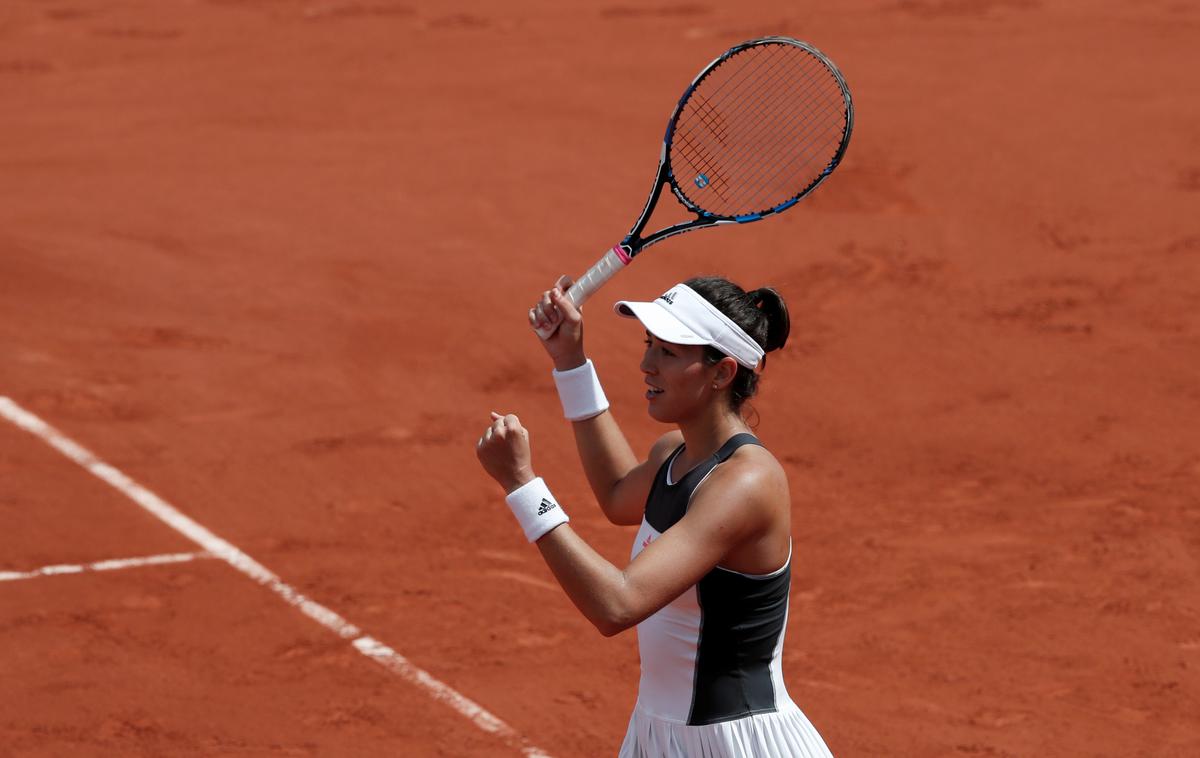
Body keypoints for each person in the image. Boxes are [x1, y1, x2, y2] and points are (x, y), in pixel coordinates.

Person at [475, 275, 834, 757]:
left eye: (667, 352)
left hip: (737, 743)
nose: (646, 364)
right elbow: (618, 494)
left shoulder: (745, 483)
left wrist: (524, 487)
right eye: (650, 345)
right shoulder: (676, 454)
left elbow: (617, 605)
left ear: (722, 372)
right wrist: (570, 362)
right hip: (660, 737)